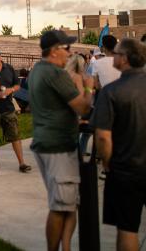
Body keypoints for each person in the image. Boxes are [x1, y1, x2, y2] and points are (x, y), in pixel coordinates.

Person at [29, 30, 94, 251]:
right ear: (55, 51)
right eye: (67, 48)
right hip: (58, 147)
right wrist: (88, 86)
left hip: (44, 142)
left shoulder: (37, 70)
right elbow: (83, 108)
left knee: (67, 205)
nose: (70, 52)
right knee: (60, 206)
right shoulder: (56, 74)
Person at [93, 38, 146, 251]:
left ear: (124, 59)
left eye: (115, 53)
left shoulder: (111, 91)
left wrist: (107, 164)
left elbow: (103, 137)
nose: (112, 56)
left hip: (125, 171)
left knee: (127, 228)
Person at [0, 46, 31, 173]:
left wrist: (10, 90)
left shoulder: (9, 68)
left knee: (15, 136)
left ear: (0, 55)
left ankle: (22, 163)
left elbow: (17, 85)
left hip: (8, 108)